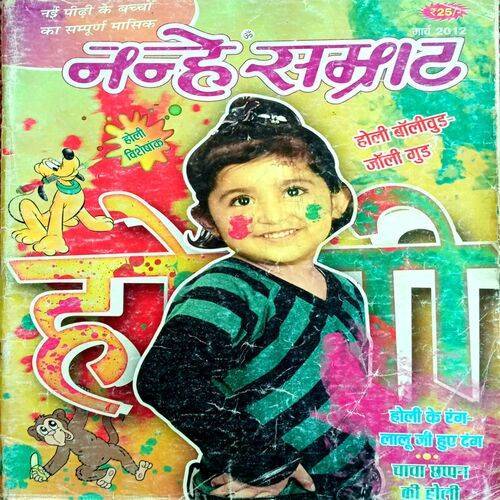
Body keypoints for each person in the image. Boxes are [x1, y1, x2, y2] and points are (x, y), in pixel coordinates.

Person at [135, 95, 382, 498]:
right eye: (242, 200)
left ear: (337, 198)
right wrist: (260, 456)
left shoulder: (345, 291)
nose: (272, 215)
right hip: (264, 489)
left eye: (294, 190)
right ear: (209, 220)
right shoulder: (228, 289)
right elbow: (166, 379)